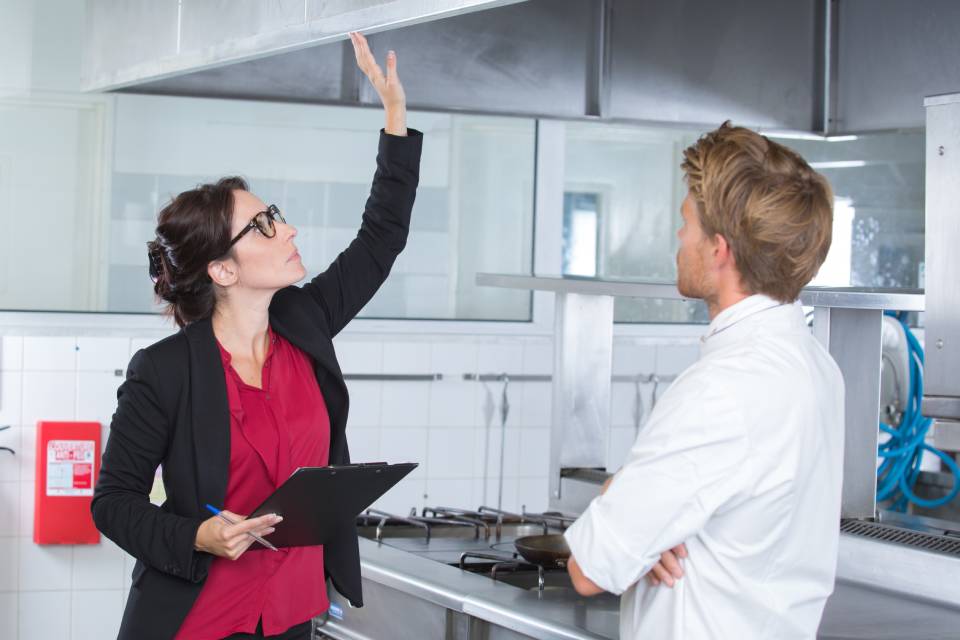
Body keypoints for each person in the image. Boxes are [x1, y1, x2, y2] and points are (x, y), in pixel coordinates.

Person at [91, 32, 421, 640]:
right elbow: (113, 502)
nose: (287, 229)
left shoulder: (305, 323)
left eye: (277, 214)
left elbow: (381, 240)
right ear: (223, 270)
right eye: (265, 225)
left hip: (294, 613)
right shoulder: (164, 371)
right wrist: (198, 533)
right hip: (198, 619)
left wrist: (395, 119)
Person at [564, 122, 845, 639]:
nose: (678, 237)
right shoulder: (815, 366)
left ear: (719, 250)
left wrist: (624, 500)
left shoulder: (722, 390)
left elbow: (589, 568)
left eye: (686, 222)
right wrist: (647, 528)